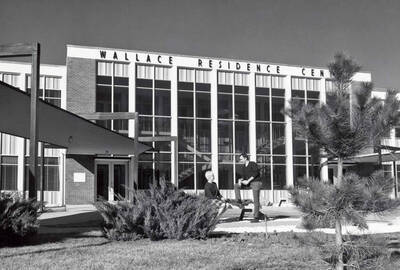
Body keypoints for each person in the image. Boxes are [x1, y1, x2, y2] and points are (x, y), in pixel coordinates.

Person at [234, 153, 263, 222]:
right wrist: (240, 180)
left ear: (245, 158)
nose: (240, 160)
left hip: (256, 182)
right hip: (248, 183)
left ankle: (256, 217)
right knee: (236, 185)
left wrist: (248, 181)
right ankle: (239, 201)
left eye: (241, 159)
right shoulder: (243, 167)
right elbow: (244, 177)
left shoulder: (253, 164)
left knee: (256, 200)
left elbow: (256, 173)